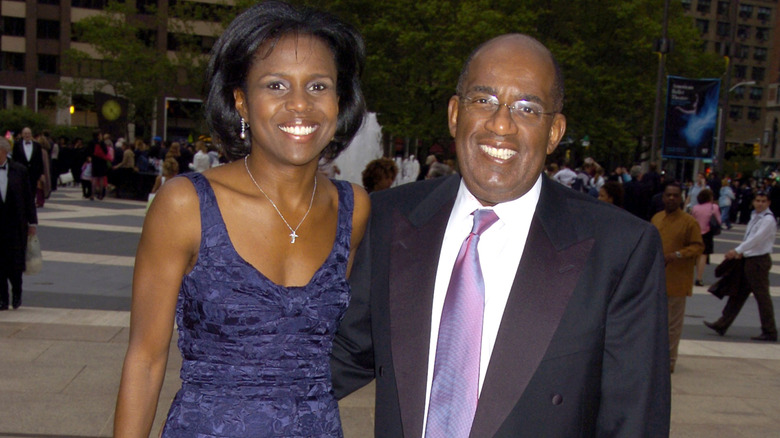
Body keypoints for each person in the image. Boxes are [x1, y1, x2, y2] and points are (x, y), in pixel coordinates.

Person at [331, 33, 670, 437]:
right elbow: (340, 356)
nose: (501, 124)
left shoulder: (620, 249)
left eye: (527, 108)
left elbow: (634, 422)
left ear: (555, 131)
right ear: (455, 114)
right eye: (483, 100)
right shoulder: (388, 219)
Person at [113, 2, 369, 436]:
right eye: (275, 85)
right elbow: (145, 359)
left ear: (339, 101)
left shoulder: (353, 208)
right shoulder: (186, 205)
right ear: (241, 102)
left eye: (319, 86)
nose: (300, 105)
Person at [704, 191, 778, 342]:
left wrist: (737, 250)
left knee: (762, 296)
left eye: (764, 201)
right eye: (758, 200)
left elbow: (757, 239)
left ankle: (769, 330)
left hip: (758, 260)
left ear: (769, 203)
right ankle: (722, 323)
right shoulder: (755, 216)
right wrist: (741, 253)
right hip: (749, 259)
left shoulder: (768, 219)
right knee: (739, 293)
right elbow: (749, 238)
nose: (760, 203)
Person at [651, 183, 704, 373]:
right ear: (663, 197)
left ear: (681, 198)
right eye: (668, 195)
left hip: (677, 281)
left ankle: (669, 361)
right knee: (654, 325)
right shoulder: (657, 218)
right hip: (656, 282)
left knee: (672, 326)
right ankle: (654, 359)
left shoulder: (689, 222)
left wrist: (677, 255)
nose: (671, 198)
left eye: (675, 195)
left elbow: (698, 247)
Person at [0, 137, 38, 310]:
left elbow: (28, 198)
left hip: (15, 224)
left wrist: (32, 223)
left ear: (4, 152)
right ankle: (2, 298)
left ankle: (16, 293)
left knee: (15, 262)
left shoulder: (19, 170)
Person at [690, 188, 721, 286]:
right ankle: (699, 278)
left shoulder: (695, 208)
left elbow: (691, 220)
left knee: (694, 254)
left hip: (696, 232)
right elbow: (719, 221)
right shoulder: (714, 207)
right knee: (703, 255)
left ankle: (690, 275)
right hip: (707, 233)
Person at [11, 127, 45, 199]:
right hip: (21, 173)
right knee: (21, 192)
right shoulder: (17, 145)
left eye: (29, 133)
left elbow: (40, 160)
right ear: (22, 135)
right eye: (25, 133)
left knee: (32, 192)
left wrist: (41, 173)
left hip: (34, 173)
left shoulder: (37, 146)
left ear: (31, 135)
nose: (27, 135)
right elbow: (14, 159)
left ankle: (31, 207)